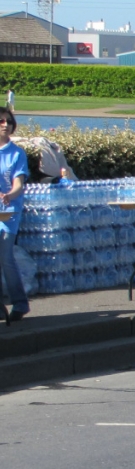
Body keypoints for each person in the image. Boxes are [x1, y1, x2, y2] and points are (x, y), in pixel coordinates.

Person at [0, 107, 29, 324]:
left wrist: (9, 195)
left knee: (5, 257)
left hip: (8, 212)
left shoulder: (17, 153)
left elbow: (18, 183)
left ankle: (20, 303)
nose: (5, 125)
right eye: (1, 121)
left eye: (8, 122)